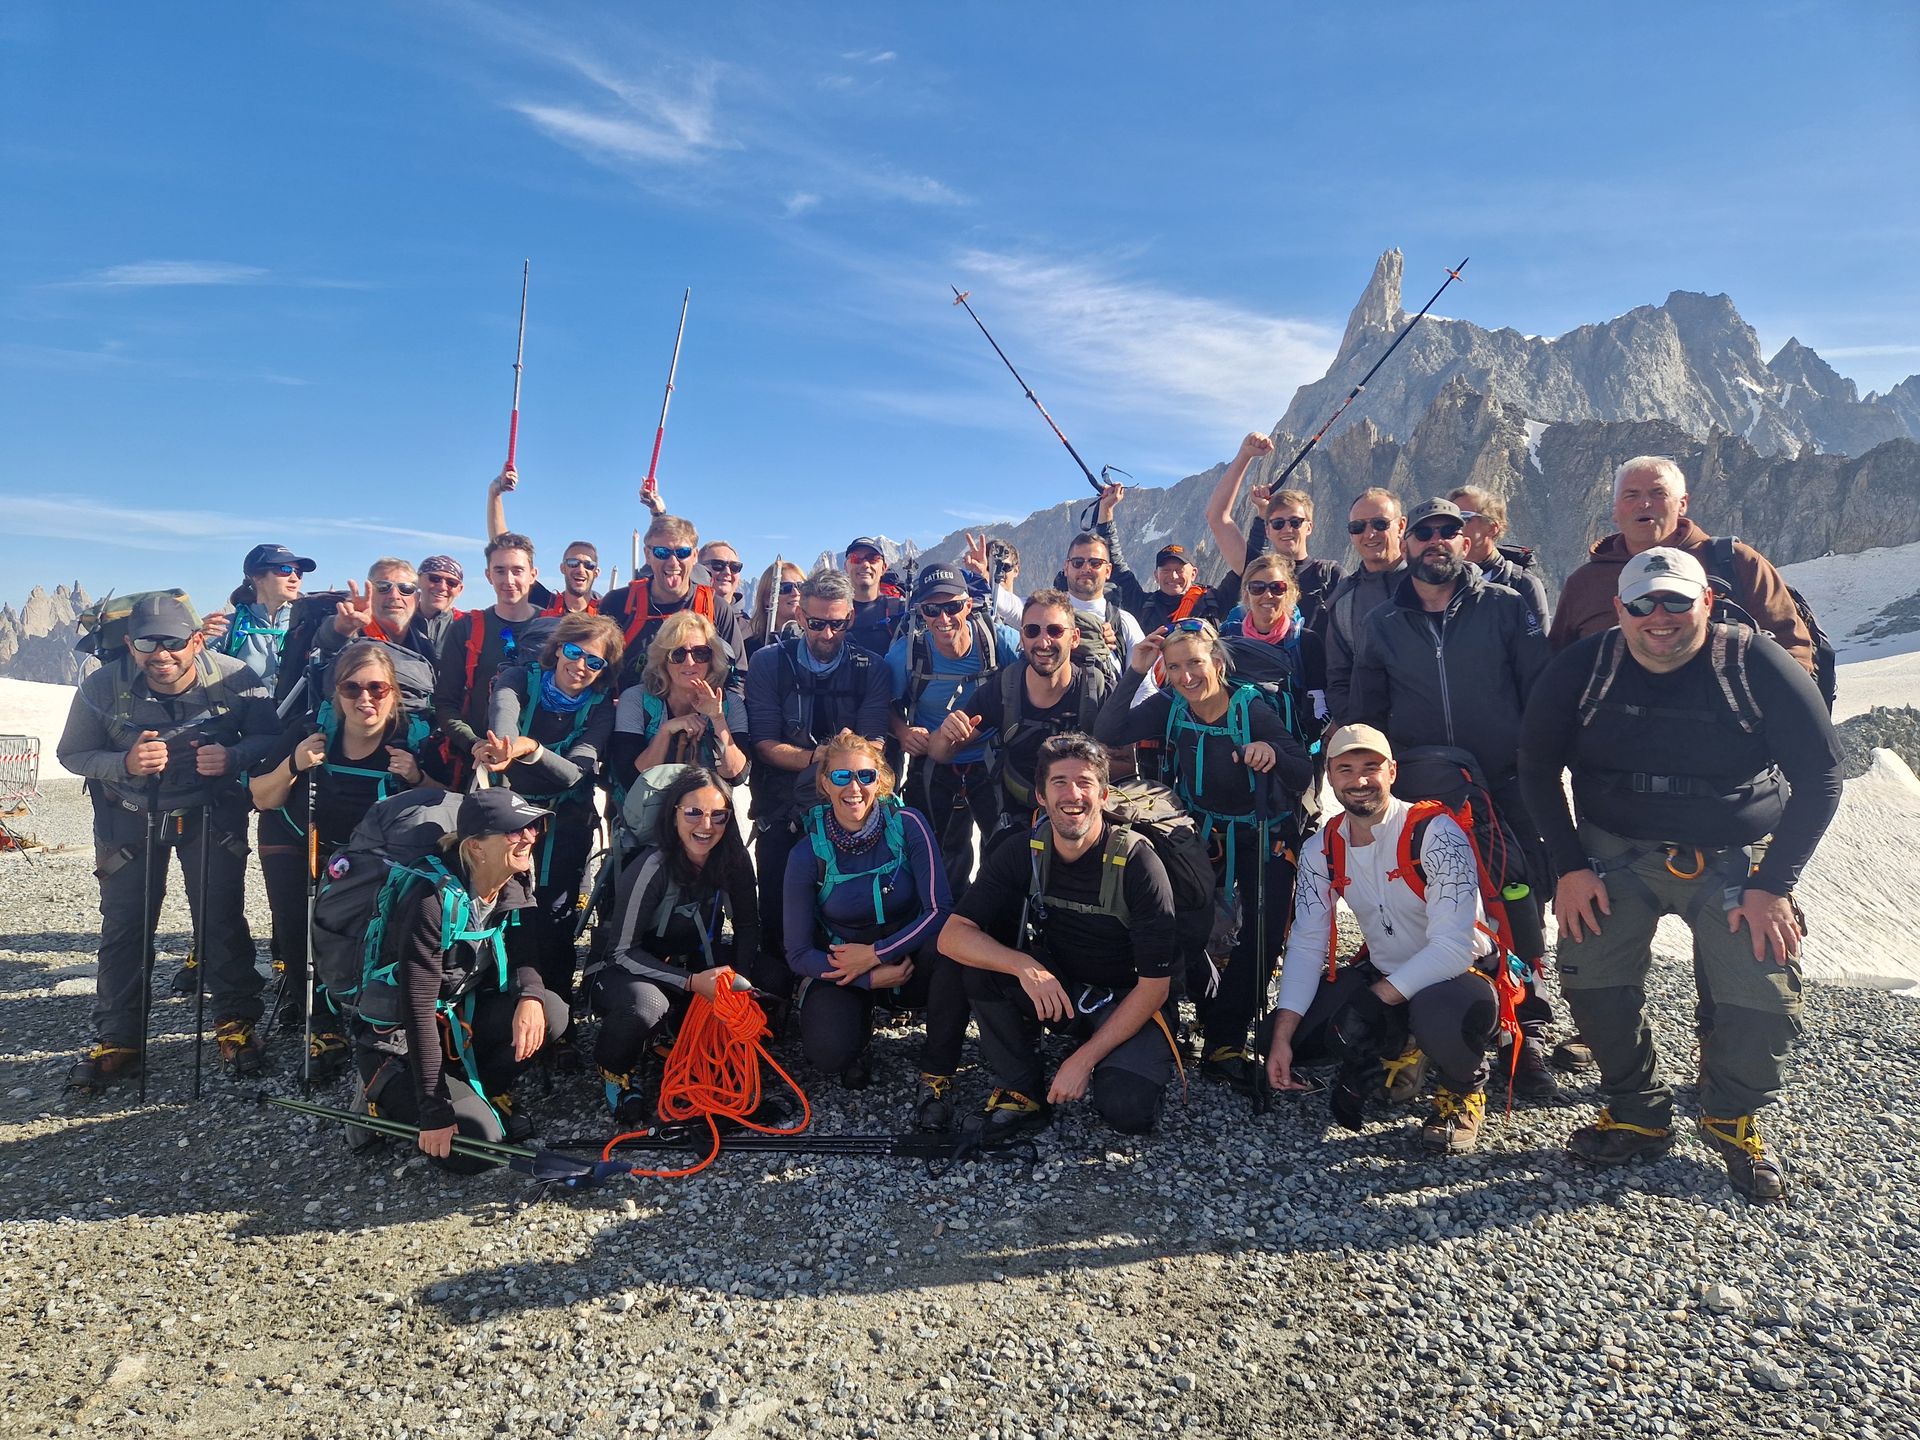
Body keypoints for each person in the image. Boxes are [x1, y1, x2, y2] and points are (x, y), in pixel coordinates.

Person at [1518, 548, 1841, 1203]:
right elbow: (1535, 767)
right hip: (1614, 848)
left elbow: (1822, 776)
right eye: (1642, 602)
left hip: (1735, 854)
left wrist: (1773, 886)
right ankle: (1636, 1111)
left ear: (1707, 603)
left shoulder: (1754, 663)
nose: (1658, 616)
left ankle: (1730, 1114)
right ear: (1619, 609)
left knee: (1764, 998)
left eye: (1675, 601)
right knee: (1591, 978)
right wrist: (1570, 868)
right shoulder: (1583, 666)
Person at [1347, 496, 1559, 1097]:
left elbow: (1538, 691)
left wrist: (1536, 765)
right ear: (1408, 544)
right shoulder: (1382, 623)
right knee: (1429, 903)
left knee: (1517, 898)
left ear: (1466, 541)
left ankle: (1523, 1028)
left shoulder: (1506, 606)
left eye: (1449, 530)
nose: (1436, 540)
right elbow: (1368, 711)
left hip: (1504, 782)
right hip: (1419, 789)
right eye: (1424, 533)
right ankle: (1440, 1022)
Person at [59, 594, 282, 1088]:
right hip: (127, 817)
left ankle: (235, 1023)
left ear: (197, 641)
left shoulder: (236, 678)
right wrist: (124, 764)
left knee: (219, 914)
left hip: (211, 811)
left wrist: (232, 757)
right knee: (126, 923)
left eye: (174, 643)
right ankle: (118, 1039)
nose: (161, 654)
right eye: (147, 644)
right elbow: (72, 753)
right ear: (129, 645)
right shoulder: (100, 686)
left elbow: (270, 736)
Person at [1093, 618, 1313, 1088]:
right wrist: (1136, 669)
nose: (1186, 676)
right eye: (1174, 667)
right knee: (1181, 926)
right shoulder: (1171, 704)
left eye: (1194, 663)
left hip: (1263, 833)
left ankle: (1225, 1040)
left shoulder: (1252, 709)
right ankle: (1198, 1012)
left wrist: (1270, 753)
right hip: (1202, 834)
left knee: (1261, 938)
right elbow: (1108, 731)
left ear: (1217, 661)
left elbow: (1301, 771)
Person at [1265, 727, 1501, 1155]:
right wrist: (1283, 1035)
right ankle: (1405, 1045)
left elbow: (1453, 948)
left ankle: (1463, 1089)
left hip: (1459, 977)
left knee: (1437, 1010)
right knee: (1284, 1040)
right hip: (1386, 973)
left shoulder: (1436, 832)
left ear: (1392, 772)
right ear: (1330, 777)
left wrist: (1370, 1003)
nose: (1359, 780)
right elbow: (1307, 942)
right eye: (1345, 769)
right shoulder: (1322, 847)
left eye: (1371, 768)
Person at [940, 734, 1181, 1143]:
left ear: (1103, 795)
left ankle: (1124, 1055)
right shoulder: (1024, 850)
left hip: (1133, 1002)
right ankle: (1022, 1090)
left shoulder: (1138, 863)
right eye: (1059, 783)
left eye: (1085, 783)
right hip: (1066, 990)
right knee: (983, 968)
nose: (1073, 795)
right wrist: (1023, 965)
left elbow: (1155, 988)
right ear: (1041, 795)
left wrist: (1082, 1061)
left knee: (1126, 1111)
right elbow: (952, 937)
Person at [250, 639, 446, 1074]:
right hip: (300, 838)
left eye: (377, 688)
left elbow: (449, 804)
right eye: (352, 688)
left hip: (372, 854)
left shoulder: (414, 740)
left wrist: (418, 777)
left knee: (377, 925)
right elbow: (262, 797)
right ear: (336, 693)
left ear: (393, 692)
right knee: (299, 926)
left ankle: (372, 1007)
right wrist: (294, 764)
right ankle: (321, 1022)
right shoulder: (309, 731)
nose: (365, 699)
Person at [351, 787, 568, 1166]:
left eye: (534, 827)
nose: (530, 837)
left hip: (456, 1023)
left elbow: (525, 956)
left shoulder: (513, 884)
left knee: (552, 1011)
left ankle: (482, 1090)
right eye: (515, 831)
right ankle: (378, 1094)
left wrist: (530, 996)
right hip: (399, 1041)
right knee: (480, 1150)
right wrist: (434, 1110)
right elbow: (417, 1013)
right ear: (477, 847)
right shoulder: (430, 902)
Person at [784, 732, 962, 1127]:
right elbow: (797, 953)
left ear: (880, 781)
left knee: (954, 951)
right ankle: (858, 1033)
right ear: (825, 783)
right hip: (848, 968)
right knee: (829, 1054)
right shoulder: (807, 851)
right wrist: (866, 975)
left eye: (865, 776)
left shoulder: (908, 824)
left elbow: (939, 909)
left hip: (908, 958)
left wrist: (878, 954)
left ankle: (937, 1074)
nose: (854, 787)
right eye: (842, 776)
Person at [744, 568, 892, 994]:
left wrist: (834, 763)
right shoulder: (769, 662)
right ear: (799, 616)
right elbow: (764, 744)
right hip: (782, 805)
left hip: (850, 805)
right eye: (816, 623)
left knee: (850, 903)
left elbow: (876, 742)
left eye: (838, 624)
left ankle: (842, 987)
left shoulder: (872, 668)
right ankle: (778, 988)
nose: (828, 634)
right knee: (777, 905)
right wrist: (829, 758)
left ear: (851, 618)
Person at [587, 768, 761, 1123]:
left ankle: (669, 1039)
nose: (706, 825)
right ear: (673, 814)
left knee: (769, 978)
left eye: (718, 815)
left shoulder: (733, 858)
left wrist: (738, 990)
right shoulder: (652, 866)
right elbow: (621, 951)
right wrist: (692, 983)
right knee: (647, 1005)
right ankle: (614, 1069)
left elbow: (747, 926)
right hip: (625, 972)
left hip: (690, 965)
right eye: (694, 812)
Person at [477, 613, 624, 1017]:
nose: (581, 665)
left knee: (555, 915)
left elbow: (575, 772)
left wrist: (529, 749)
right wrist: (505, 744)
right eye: (575, 652)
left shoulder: (601, 708)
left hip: (565, 822)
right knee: (496, 908)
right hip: (507, 819)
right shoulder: (518, 679)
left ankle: (555, 1010)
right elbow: (503, 715)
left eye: (595, 661)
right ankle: (497, 1005)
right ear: (558, 648)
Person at [1549, 456, 1813, 670]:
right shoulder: (1585, 583)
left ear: (1682, 504)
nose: (1644, 503)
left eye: (1658, 493)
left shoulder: (1737, 564)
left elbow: (1794, 652)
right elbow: (1558, 668)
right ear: (1615, 511)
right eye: (1631, 495)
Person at [886, 564, 1022, 893]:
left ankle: (992, 915)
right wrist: (903, 732)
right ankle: (943, 915)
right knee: (937, 851)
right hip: (933, 763)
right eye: (932, 610)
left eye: (952, 607)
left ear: (968, 605)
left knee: (1001, 847)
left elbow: (1041, 662)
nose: (943, 618)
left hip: (991, 761)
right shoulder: (907, 653)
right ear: (921, 612)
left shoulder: (998, 641)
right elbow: (881, 702)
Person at [928, 588, 1111, 831]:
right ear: (1022, 638)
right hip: (1018, 816)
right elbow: (940, 753)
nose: (1043, 642)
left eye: (1055, 631)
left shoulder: (1095, 690)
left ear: (1074, 637)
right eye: (1032, 631)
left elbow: (1126, 763)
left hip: (1081, 817)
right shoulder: (1003, 689)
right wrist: (947, 734)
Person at [433, 533, 544, 781]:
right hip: (480, 763)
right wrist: (474, 743)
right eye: (500, 570)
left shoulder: (555, 628)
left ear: (533, 574)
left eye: (517, 570)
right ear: (488, 575)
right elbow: (445, 702)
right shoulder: (466, 629)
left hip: (538, 761)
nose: (509, 580)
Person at [1205, 432, 1342, 632]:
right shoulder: (1255, 567)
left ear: (1309, 527)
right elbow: (1216, 517)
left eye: (1295, 522)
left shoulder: (1330, 575)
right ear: (1267, 530)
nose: (1287, 528)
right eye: (1278, 523)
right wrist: (1245, 455)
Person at [610, 610, 748, 791]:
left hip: (705, 806)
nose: (689, 662)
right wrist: (665, 731)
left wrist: (718, 719)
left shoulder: (730, 703)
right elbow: (631, 778)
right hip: (645, 805)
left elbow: (737, 775)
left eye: (700, 653)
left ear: (712, 659)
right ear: (663, 660)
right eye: (677, 654)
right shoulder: (635, 700)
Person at [602, 512, 746, 685]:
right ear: (648, 555)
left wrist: (719, 703)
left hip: (697, 701)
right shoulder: (618, 603)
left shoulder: (717, 608)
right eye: (662, 552)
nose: (673, 562)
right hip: (630, 700)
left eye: (682, 552)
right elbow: (596, 664)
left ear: (694, 556)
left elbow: (738, 677)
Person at [1218, 555, 1327, 762]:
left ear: (1289, 593)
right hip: (1238, 751)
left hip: (1293, 754)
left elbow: (1321, 706)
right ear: (1246, 593)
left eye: (1277, 587)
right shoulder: (1227, 640)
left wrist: (1297, 745)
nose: (1267, 594)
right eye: (1257, 587)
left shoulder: (1306, 642)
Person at [1095, 481, 1231, 629]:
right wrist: (1106, 508)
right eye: (1166, 570)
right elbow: (1115, 562)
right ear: (1156, 575)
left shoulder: (1213, 604)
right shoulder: (1142, 605)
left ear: (1193, 573)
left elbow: (1243, 568)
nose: (1173, 576)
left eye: (1179, 570)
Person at [1324, 487, 1409, 722]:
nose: (1369, 534)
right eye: (1358, 527)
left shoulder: (1431, 583)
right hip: (1374, 735)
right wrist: (1355, 729)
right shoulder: (1343, 601)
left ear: (1401, 525)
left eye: (1380, 524)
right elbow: (1338, 678)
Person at [485, 464, 603, 616]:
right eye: (573, 563)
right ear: (562, 568)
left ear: (596, 572)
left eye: (589, 565)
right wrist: (495, 494)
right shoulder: (545, 603)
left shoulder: (609, 611)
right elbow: (504, 549)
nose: (580, 569)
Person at [210, 543, 315, 686]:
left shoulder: (308, 625)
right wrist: (193, 640)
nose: (294, 578)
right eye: (285, 569)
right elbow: (198, 675)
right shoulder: (226, 627)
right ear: (257, 577)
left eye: (298, 572)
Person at [1449, 486, 1550, 628]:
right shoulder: (1438, 581)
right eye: (1451, 519)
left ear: (1492, 528)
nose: (1456, 526)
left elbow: (1538, 641)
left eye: (1464, 517)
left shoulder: (1523, 585)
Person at [1059, 528, 1146, 670]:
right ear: (1066, 568)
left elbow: (1144, 680)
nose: (1086, 568)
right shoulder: (1043, 616)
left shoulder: (1124, 623)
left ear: (1108, 571)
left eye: (1095, 563)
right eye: (1077, 562)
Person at [843, 537, 909, 658]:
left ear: (884, 568)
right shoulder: (834, 613)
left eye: (873, 558)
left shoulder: (902, 610)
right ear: (846, 567)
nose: (865, 564)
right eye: (855, 558)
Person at [745, 559, 807, 658]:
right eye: (786, 588)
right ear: (766, 598)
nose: (795, 593)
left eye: (801, 586)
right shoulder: (750, 648)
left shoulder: (815, 641)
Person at [415, 555, 467, 658]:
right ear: (418, 580)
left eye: (451, 583)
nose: (442, 587)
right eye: (435, 579)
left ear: (460, 589)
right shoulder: (399, 622)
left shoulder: (468, 627)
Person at [699, 541, 747, 614]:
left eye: (734, 567)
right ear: (699, 568)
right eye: (718, 565)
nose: (727, 572)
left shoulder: (749, 621)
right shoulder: (683, 615)